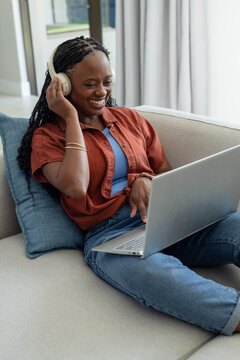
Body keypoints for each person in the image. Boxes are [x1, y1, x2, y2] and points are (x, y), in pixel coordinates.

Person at [18, 36, 240, 335]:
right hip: (109, 236)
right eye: (90, 84)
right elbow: (75, 186)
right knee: (150, 273)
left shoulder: (130, 119)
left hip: (165, 218)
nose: (102, 92)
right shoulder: (48, 138)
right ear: (63, 86)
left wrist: (144, 179)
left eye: (107, 81)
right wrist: (70, 116)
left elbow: (165, 172)